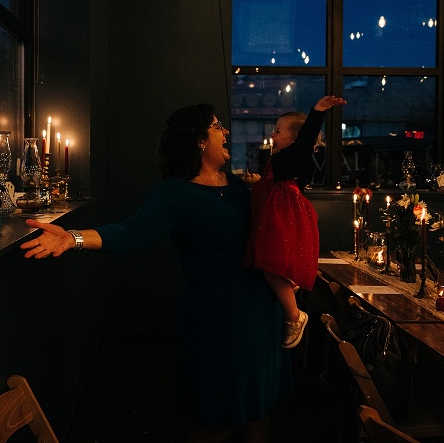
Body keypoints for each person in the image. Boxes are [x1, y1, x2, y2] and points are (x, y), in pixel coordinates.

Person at [21, 104, 292, 443]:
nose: (226, 132)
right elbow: (131, 232)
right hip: (220, 319)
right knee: (216, 417)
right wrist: (73, 237)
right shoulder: (175, 193)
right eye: (217, 126)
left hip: (261, 313)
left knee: (258, 408)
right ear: (198, 141)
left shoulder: (236, 186)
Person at [243, 95, 346, 350]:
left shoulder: (295, 157)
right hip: (274, 216)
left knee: (271, 265)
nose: (273, 135)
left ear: (295, 139)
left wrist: (318, 111)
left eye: (278, 131)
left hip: (283, 217)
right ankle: (289, 286)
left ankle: (294, 316)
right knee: (270, 264)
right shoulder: (281, 160)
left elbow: (305, 140)